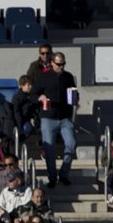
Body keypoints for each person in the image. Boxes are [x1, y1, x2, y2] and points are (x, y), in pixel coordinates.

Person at [34, 51, 78, 188]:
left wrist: (75, 98)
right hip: (49, 116)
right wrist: (40, 97)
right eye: (58, 64)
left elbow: (73, 93)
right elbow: (33, 93)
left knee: (71, 143)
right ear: (52, 63)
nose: (61, 67)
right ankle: (52, 177)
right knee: (50, 148)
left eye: (63, 64)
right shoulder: (44, 76)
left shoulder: (68, 76)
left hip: (65, 117)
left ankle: (64, 174)